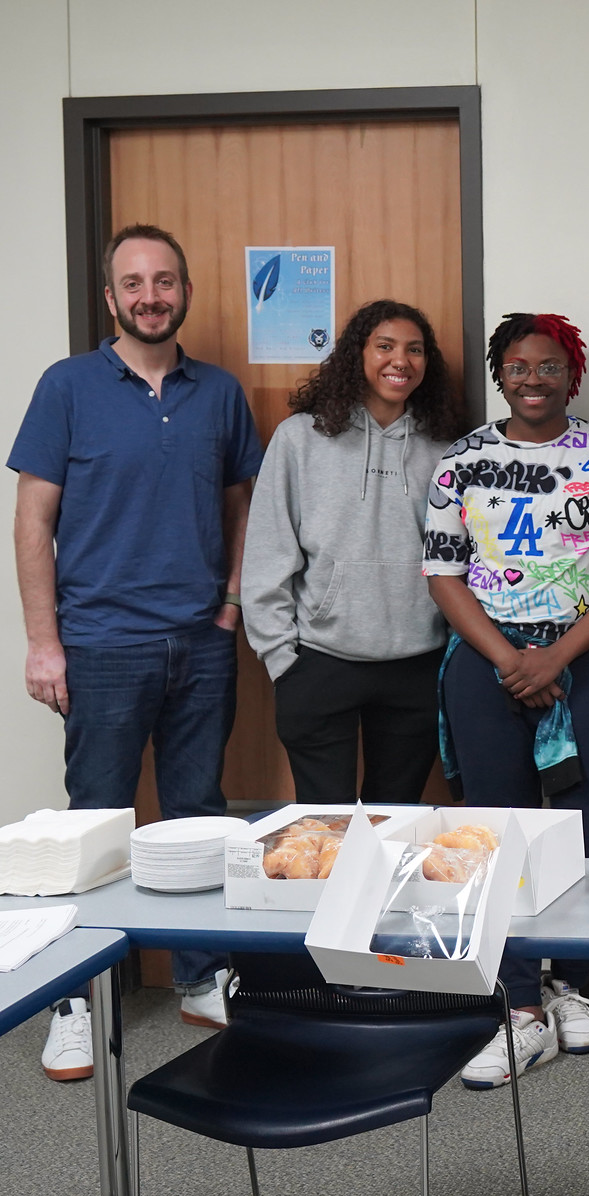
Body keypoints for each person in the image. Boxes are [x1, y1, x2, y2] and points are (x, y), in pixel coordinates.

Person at [11, 225, 259, 1080]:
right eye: (133, 283)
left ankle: (197, 975)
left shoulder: (220, 392)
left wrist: (229, 603)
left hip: (201, 641)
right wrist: (44, 643)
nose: (149, 294)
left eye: (164, 280)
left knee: (197, 812)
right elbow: (32, 523)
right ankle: (71, 1004)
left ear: (184, 291)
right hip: (101, 642)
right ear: (110, 297)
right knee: (93, 824)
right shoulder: (67, 386)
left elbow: (240, 510)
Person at [422, 312, 589, 1089]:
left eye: (550, 366)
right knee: (497, 831)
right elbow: (444, 574)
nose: (534, 378)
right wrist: (511, 656)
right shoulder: (462, 462)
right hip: (488, 658)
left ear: (570, 374)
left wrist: (557, 655)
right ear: (500, 374)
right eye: (519, 366)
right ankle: (518, 1006)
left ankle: (572, 984)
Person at [242, 300, 466, 805]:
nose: (400, 361)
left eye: (414, 350)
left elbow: (462, 559)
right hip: (319, 661)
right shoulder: (301, 438)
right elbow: (268, 549)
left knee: (394, 821)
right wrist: (281, 657)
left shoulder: (445, 448)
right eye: (384, 346)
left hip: (417, 661)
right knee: (325, 829)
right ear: (356, 355)